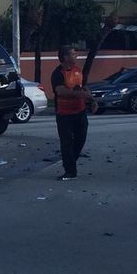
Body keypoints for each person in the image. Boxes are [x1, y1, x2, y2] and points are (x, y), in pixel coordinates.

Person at [51, 45, 96, 181]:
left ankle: (71, 162)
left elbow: (82, 87)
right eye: (73, 54)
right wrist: (79, 94)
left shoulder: (77, 70)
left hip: (80, 111)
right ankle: (70, 171)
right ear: (65, 57)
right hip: (64, 113)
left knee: (80, 138)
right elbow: (60, 91)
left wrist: (91, 99)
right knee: (66, 143)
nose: (76, 56)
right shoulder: (58, 73)